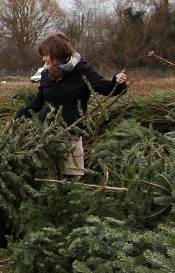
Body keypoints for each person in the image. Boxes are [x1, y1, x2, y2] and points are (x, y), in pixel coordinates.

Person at [15, 32, 127, 176]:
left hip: (71, 138)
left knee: (72, 183)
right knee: (46, 181)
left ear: (58, 53)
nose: (43, 58)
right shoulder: (45, 74)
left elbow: (105, 88)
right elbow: (38, 102)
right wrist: (18, 117)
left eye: (46, 54)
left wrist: (117, 82)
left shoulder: (81, 70)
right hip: (46, 138)